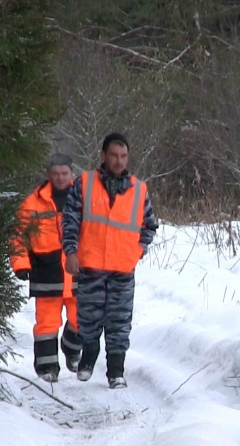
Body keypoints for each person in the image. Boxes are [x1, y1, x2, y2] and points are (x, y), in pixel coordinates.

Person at [62, 132, 158, 388]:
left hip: (122, 270)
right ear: (103, 156)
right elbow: (70, 220)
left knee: (119, 322)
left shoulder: (139, 189)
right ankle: (88, 357)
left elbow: (149, 226)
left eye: (123, 156)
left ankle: (116, 372)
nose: (119, 161)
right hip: (90, 265)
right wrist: (71, 252)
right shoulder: (84, 184)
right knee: (89, 318)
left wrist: (136, 252)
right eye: (114, 156)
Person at [10, 153, 81, 383]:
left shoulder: (84, 200)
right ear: (48, 175)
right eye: (56, 174)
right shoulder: (32, 203)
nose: (60, 178)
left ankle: (72, 350)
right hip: (46, 273)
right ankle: (47, 368)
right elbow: (17, 236)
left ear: (72, 174)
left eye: (65, 173)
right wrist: (20, 264)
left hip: (78, 271)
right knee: (47, 325)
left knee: (81, 319)